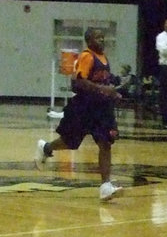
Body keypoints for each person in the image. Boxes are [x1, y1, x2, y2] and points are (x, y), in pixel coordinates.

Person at [35, 28, 123, 201]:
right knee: (70, 142)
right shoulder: (86, 56)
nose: (102, 40)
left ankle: (105, 186)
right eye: (98, 38)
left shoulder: (104, 58)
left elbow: (105, 82)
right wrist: (102, 89)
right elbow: (78, 82)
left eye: (103, 37)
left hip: (102, 109)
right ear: (89, 41)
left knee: (105, 143)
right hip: (83, 107)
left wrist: (113, 93)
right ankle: (46, 148)